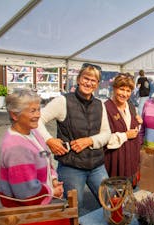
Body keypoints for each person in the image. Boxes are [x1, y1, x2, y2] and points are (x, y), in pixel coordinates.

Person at [38, 63, 111, 216]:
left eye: (93, 80)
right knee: (74, 210)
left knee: (111, 202)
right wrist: (49, 140)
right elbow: (37, 120)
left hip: (97, 165)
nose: (89, 83)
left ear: (97, 84)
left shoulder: (100, 105)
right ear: (78, 79)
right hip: (72, 167)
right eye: (86, 78)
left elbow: (106, 134)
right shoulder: (63, 101)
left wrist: (89, 141)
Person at [0, 89, 64, 207]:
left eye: (38, 109)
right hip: (24, 213)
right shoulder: (16, 147)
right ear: (14, 115)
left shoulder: (33, 132)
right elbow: (26, 192)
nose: (38, 115)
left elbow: (45, 157)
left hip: (38, 205)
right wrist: (52, 192)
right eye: (32, 111)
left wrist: (53, 179)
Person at [104, 73, 143, 187]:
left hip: (131, 158)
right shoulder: (105, 108)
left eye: (128, 91)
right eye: (121, 89)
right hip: (115, 160)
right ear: (114, 88)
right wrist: (125, 135)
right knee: (115, 194)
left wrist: (138, 124)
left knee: (130, 192)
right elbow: (104, 139)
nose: (124, 94)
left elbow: (132, 129)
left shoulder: (130, 106)